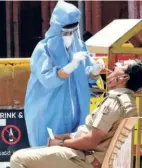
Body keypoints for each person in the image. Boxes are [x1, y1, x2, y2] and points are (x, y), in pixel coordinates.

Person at [10, 59, 142, 168]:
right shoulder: (127, 101)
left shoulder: (114, 101)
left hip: (85, 161)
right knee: (32, 153)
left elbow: (91, 141)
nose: (117, 64)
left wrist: (61, 143)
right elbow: (92, 134)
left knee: (18, 158)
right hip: (87, 156)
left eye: (122, 65)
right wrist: (64, 137)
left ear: (124, 77)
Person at [24, 1, 105, 147]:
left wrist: (94, 72)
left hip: (78, 115)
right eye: (66, 32)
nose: (70, 36)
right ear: (56, 29)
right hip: (48, 113)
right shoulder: (43, 50)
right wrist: (70, 66)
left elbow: (89, 84)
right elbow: (48, 79)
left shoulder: (80, 46)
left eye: (74, 31)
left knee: (73, 154)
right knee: (47, 154)